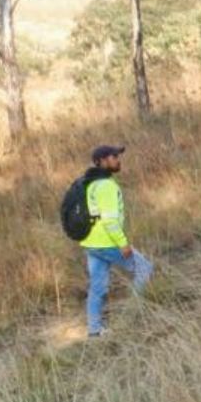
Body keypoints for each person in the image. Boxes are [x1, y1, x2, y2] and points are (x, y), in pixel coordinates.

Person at [77, 143, 154, 338]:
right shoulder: (107, 186)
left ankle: (94, 331)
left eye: (118, 156)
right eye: (114, 157)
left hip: (90, 243)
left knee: (97, 286)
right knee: (144, 268)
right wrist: (123, 243)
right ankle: (133, 316)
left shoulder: (90, 183)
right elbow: (110, 220)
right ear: (102, 161)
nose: (118, 160)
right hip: (107, 242)